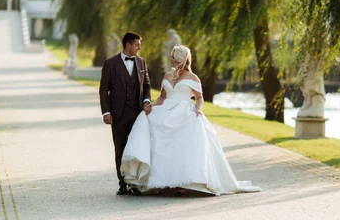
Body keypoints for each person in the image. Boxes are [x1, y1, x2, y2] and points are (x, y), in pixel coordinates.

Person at [121, 45, 261, 195]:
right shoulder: (167, 76)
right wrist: (150, 106)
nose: (170, 58)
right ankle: (161, 181)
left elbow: (199, 98)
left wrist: (197, 109)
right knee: (149, 126)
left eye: (173, 56)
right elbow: (162, 97)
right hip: (166, 110)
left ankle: (182, 182)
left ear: (181, 58)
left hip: (184, 112)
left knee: (181, 145)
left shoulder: (193, 78)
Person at [99, 32, 152, 195]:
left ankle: (134, 183)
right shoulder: (110, 64)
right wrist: (106, 112)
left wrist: (147, 101)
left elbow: (147, 85)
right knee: (120, 149)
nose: (139, 47)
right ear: (128, 45)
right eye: (137, 44)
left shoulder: (141, 62)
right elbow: (103, 90)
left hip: (137, 114)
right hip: (117, 114)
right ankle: (122, 184)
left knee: (136, 148)